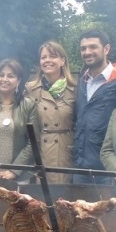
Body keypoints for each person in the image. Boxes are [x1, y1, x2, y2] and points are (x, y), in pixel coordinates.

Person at [73, 29, 116, 184]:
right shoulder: (81, 82)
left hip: (107, 169)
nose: (87, 52)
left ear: (106, 49)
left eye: (92, 47)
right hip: (79, 166)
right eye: (83, 48)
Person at [25, 41, 76, 184]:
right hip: (40, 150)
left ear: (62, 61)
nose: (47, 60)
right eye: (43, 57)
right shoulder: (30, 89)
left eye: (52, 56)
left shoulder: (76, 89)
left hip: (65, 151)